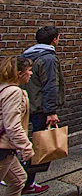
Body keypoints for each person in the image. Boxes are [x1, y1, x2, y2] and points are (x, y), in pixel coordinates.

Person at [22, 26, 66, 195]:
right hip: (40, 107)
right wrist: (51, 111)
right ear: (55, 39)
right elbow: (50, 85)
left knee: (24, 141)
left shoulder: (27, 55)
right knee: (39, 145)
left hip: (27, 105)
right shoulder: (48, 58)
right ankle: (28, 183)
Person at [0, 56, 35, 196]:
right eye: (29, 70)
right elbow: (12, 126)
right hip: (3, 149)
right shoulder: (13, 92)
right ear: (19, 74)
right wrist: (26, 147)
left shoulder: (3, 87)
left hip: (6, 148)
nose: (31, 73)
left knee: (18, 180)